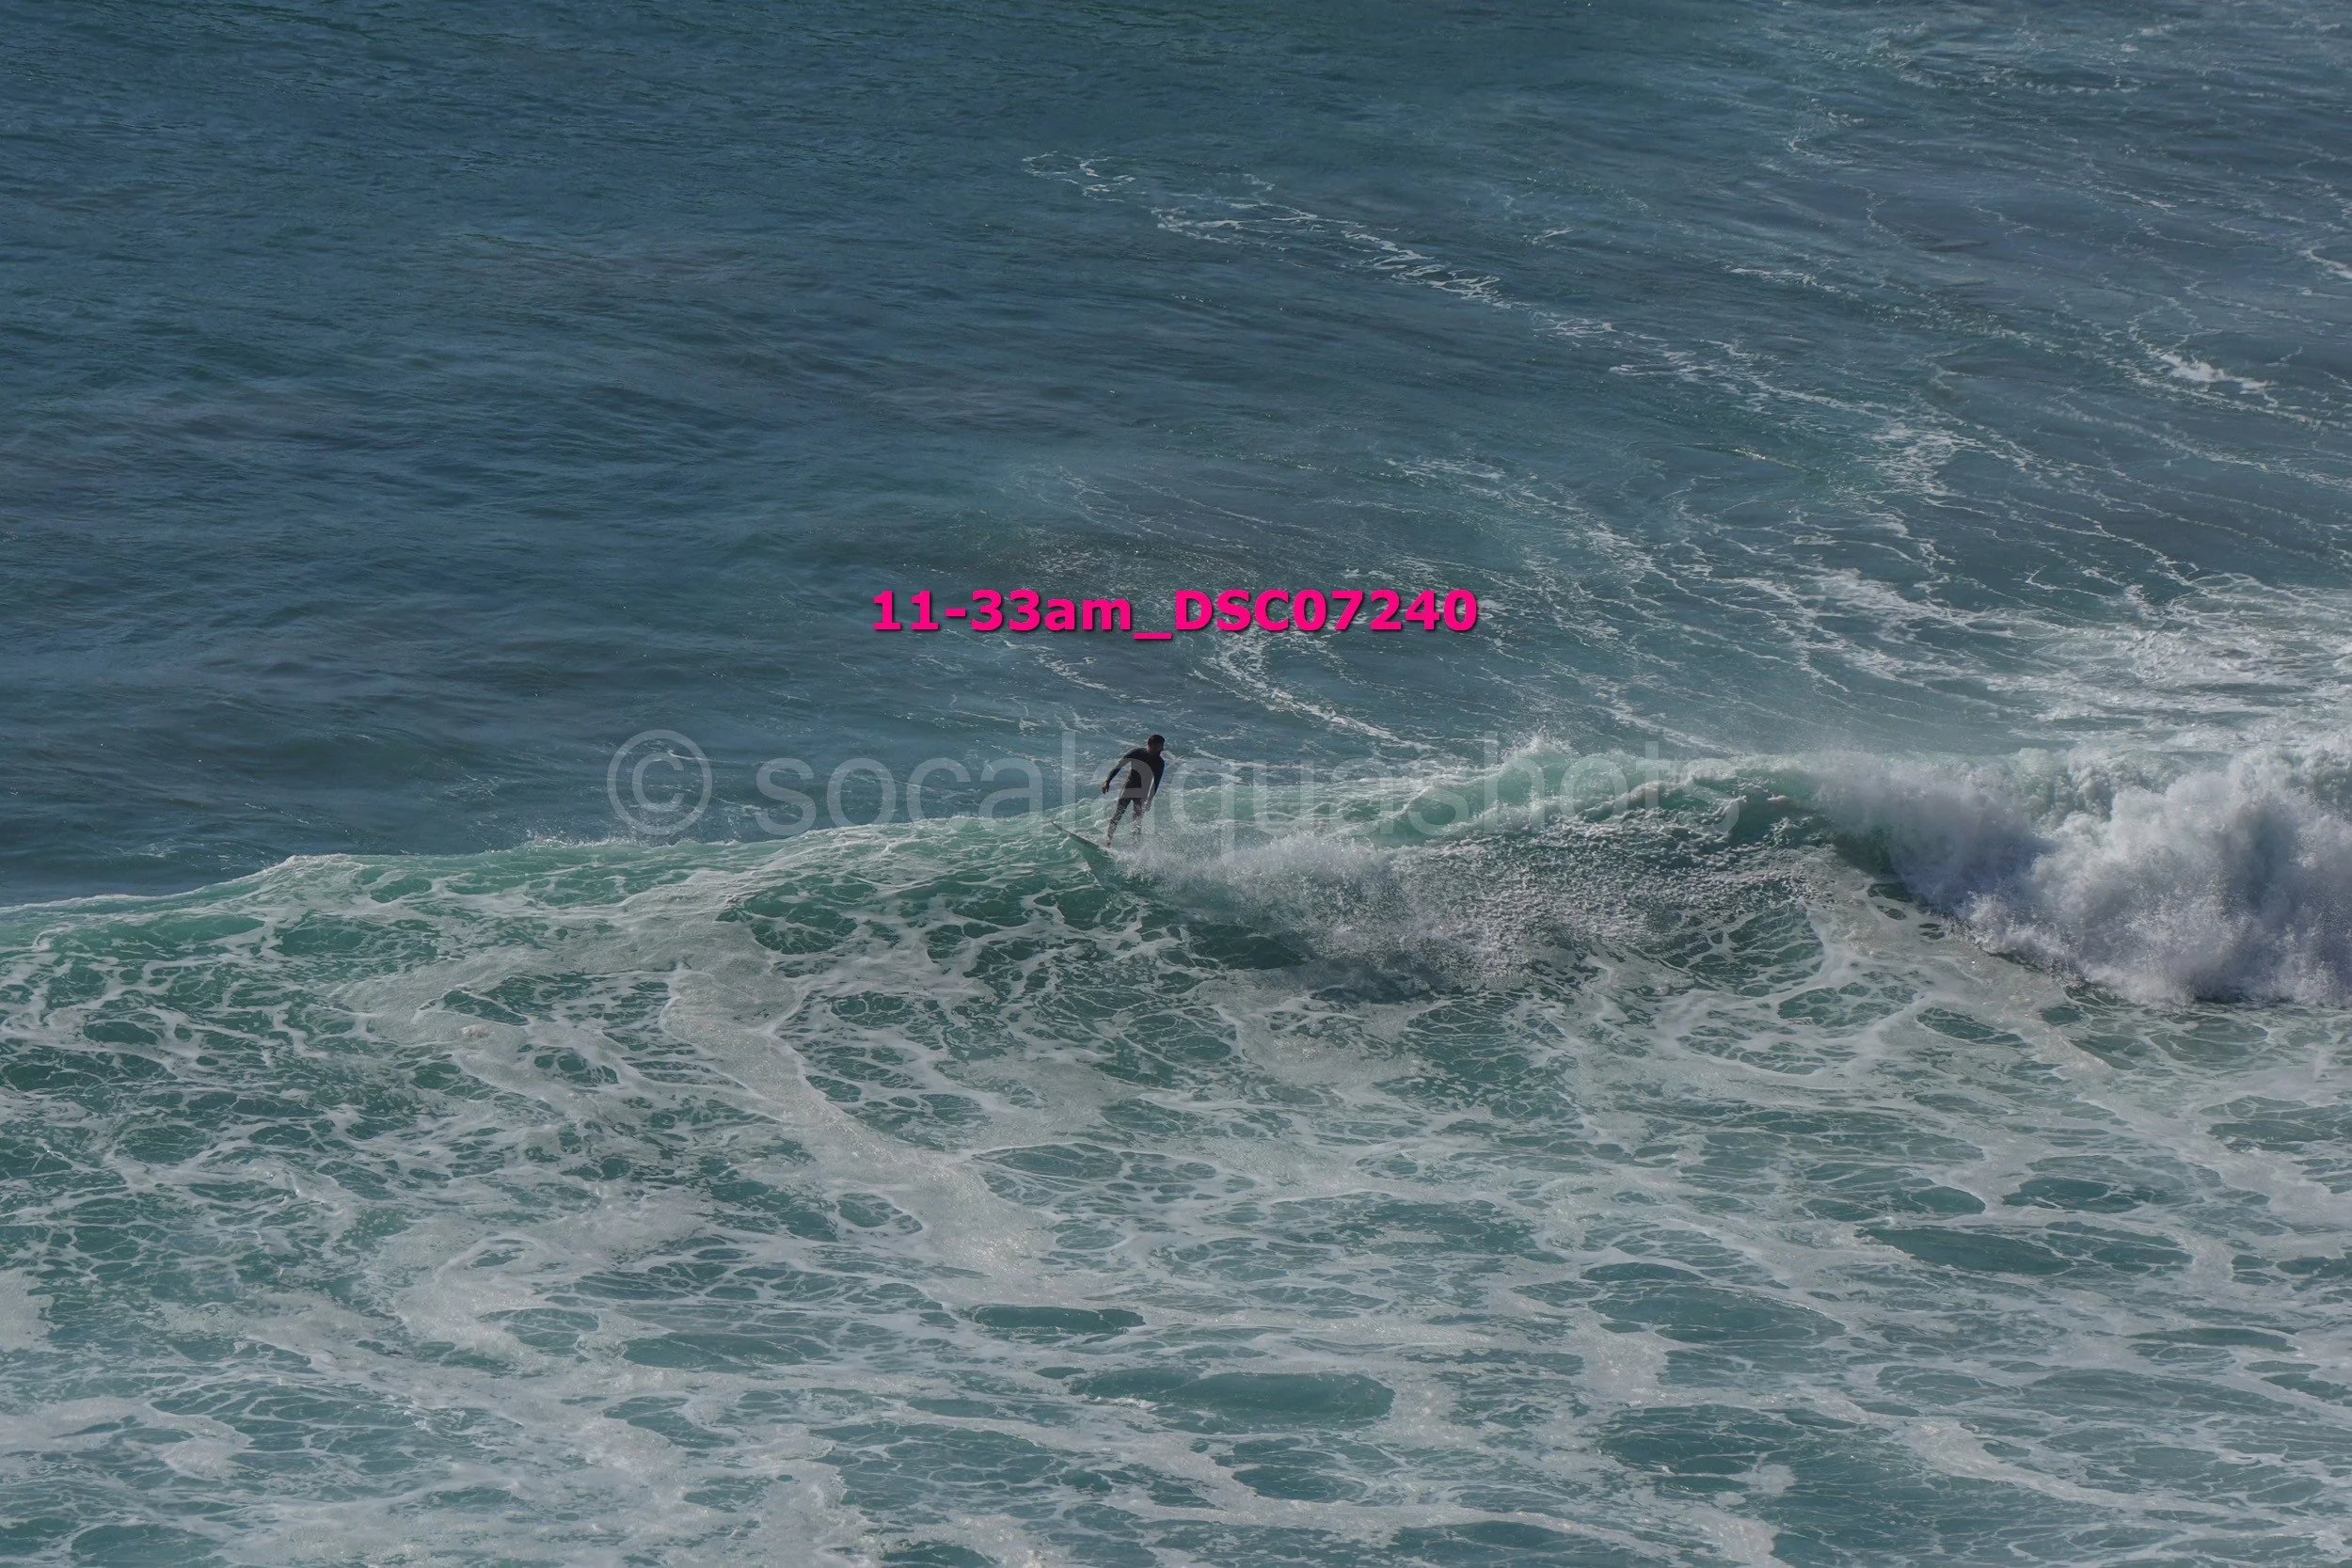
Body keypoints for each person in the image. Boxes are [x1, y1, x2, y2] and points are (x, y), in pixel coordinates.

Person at [1100, 734, 1167, 844]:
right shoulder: (1137, 753)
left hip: (1142, 794)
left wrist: (1149, 800)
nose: (1161, 750)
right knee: (1117, 815)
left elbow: (1156, 783)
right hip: (1128, 788)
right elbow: (1119, 766)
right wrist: (1108, 781)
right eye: (1158, 747)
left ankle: (1135, 849)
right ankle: (1108, 841)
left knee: (1137, 823)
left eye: (1162, 747)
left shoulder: (1159, 762)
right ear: (1150, 745)